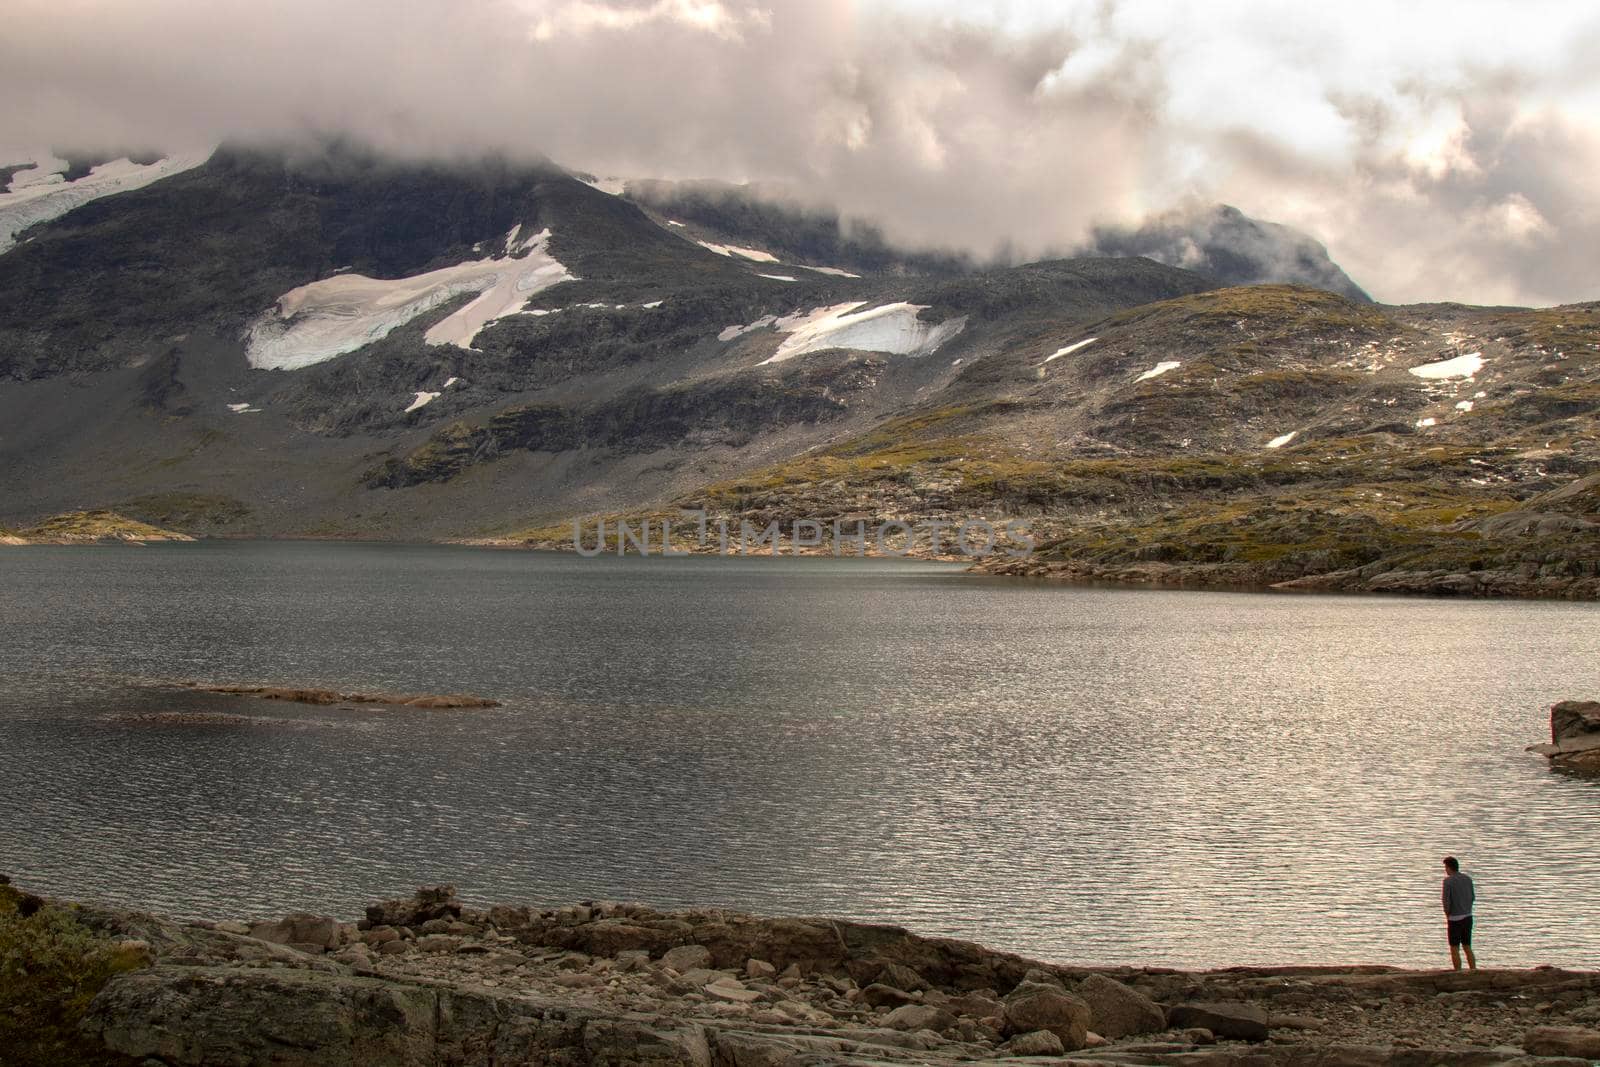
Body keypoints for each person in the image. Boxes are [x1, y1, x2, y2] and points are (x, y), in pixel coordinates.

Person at [1441, 856, 1476, 970]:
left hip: (1454, 918)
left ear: (1450, 868)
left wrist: (1447, 915)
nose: (1445, 870)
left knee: (1454, 948)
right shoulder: (1468, 879)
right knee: (1467, 946)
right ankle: (1473, 970)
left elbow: (1446, 902)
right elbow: (1472, 897)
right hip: (1468, 916)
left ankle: (1458, 972)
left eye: (1446, 867)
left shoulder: (1448, 881)